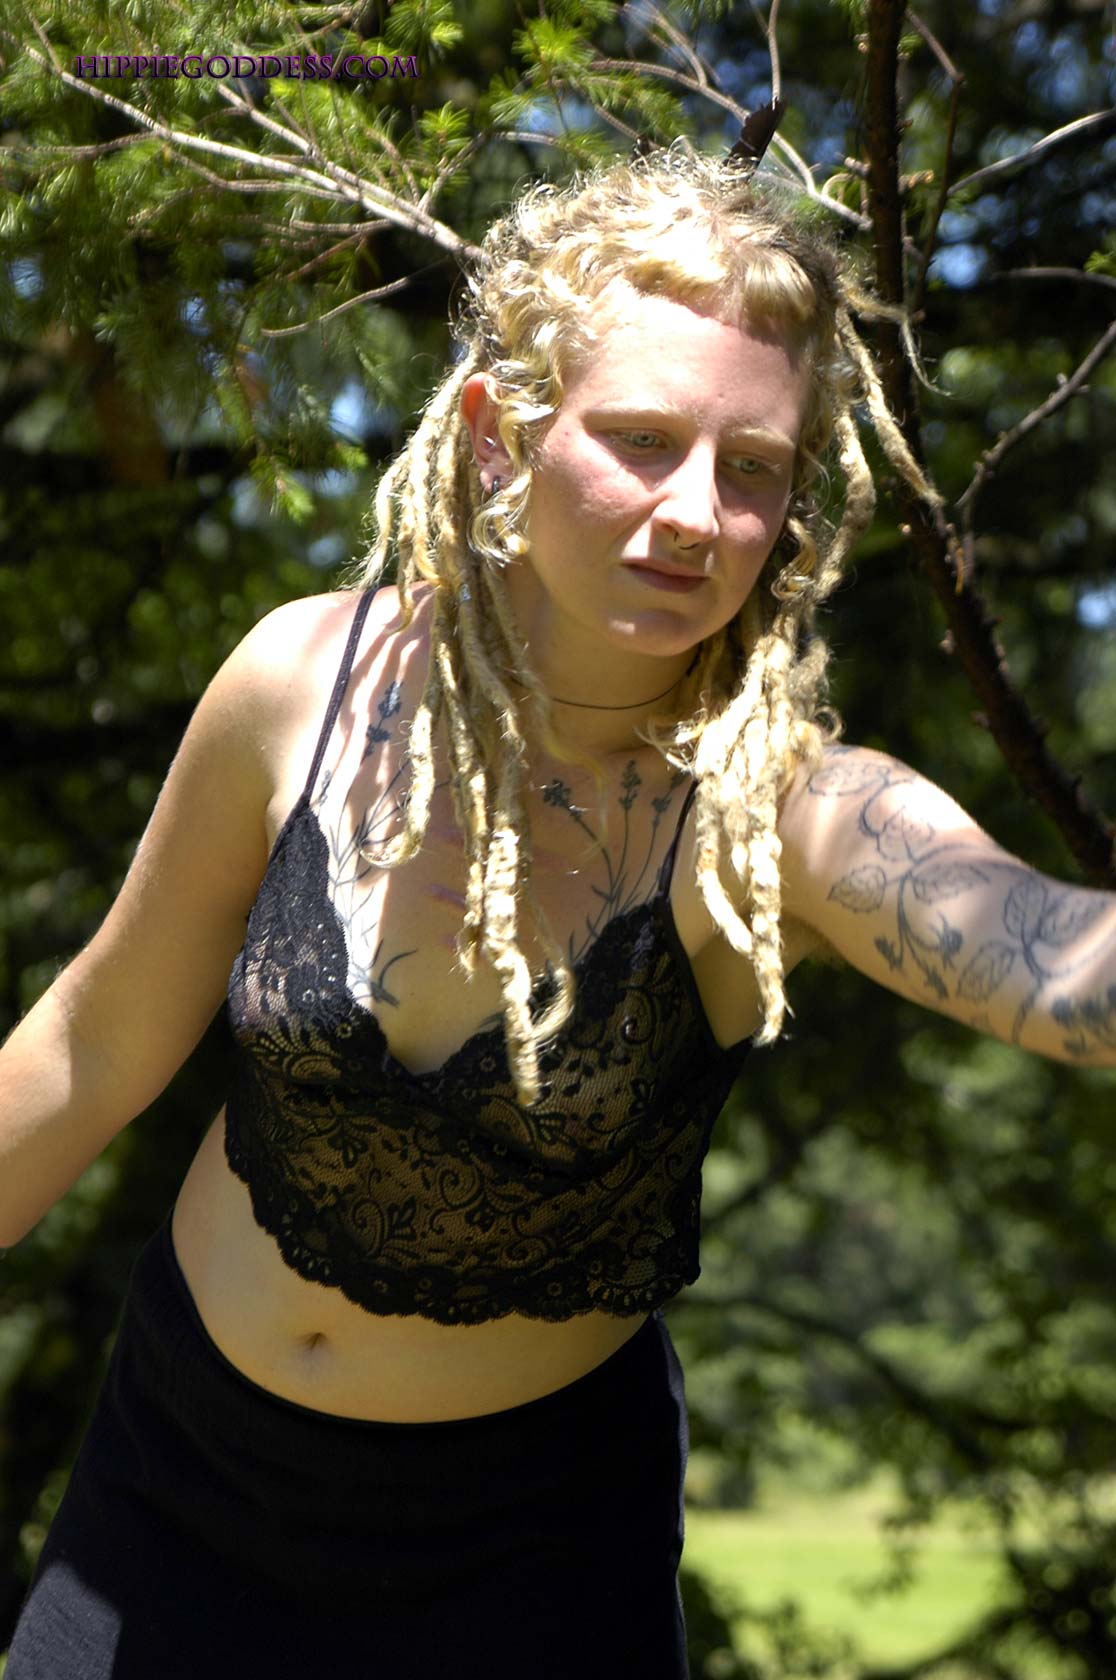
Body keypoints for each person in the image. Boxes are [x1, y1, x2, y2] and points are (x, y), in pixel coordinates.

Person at [3, 145, 1114, 1680]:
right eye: (642, 440)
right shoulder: (303, 684)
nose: (695, 513)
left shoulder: (777, 812)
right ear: (497, 433)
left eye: (752, 469)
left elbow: (1058, 967)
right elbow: (92, 1046)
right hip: (171, 1494)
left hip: (524, 1566)